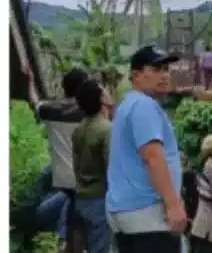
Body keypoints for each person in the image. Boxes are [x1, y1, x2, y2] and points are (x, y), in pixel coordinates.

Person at [107, 45, 186, 253]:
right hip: (149, 216)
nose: (163, 75)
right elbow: (152, 157)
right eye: (156, 69)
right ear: (136, 75)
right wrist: (173, 205)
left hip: (128, 213)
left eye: (166, 69)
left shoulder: (126, 105)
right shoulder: (144, 106)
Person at [28, 66, 89, 248]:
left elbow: (34, 102)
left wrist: (30, 80)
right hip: (85, 182)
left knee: (49, 212)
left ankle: (57, 238)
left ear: (64, 88)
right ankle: (64, 239)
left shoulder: (52, 110)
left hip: (66, 181)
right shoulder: (89, 113)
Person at [72, 78, 113, 253]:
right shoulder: (106, 130)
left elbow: (75, 165)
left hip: (81, 199)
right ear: (101, 99)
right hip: (99, 200)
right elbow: (111, 169)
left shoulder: (78, 129)